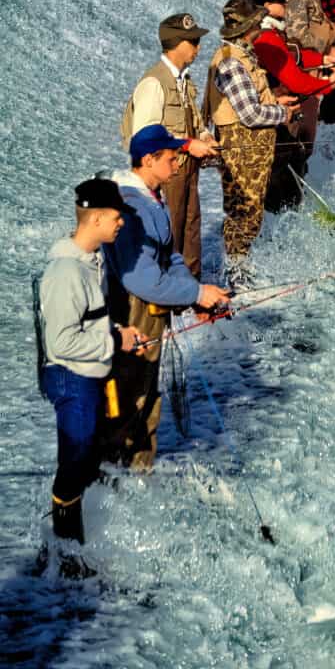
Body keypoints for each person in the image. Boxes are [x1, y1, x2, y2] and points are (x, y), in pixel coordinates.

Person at [103, 126, 229, 470]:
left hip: (152, 310)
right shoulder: (133, 210)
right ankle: (119, 483)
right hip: (133, 316)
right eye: (172, 159)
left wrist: (196, 298)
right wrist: (197, 292)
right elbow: (142, 279)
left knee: (146, 400)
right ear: (149, 160)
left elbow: (169, 257)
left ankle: (137, 478)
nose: (177, 165)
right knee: (132, 402)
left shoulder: (152, 198)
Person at [38, 178, 147, 567]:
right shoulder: (67, 273)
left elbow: (88, 323)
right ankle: (65, 556)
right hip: (72, 378)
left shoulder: (93, 258)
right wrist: (116, 344)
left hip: (90, 373)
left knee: (88, 454)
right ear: (96, 218)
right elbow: (61, 344)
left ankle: (72, 547)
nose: (121, 224)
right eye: (117, 217)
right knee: (76, 460)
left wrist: (117, 334)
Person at [202, 0, 300, 266]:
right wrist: (283, 113)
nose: (260, 24)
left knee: (248, 213)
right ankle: (236, 273)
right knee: (243, 214)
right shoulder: (232, 63)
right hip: (243, 152)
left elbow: (247, 103)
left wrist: (275, 102)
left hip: (250, 152)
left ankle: (238, 268)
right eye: (257, 21)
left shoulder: (240, 56)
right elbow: (250, 114)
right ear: (250, 26)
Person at [121, 13, 219, 277]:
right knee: (169, 233)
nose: (198, 48)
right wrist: (188, 145)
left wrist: (205, 138)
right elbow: (144, 138)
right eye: (193, 41)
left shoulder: (184, 81)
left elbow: (194, 123)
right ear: (177, 43)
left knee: (190, 228)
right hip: (164, 176)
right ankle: (169, 299)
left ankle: (191, 293)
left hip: (185, 171)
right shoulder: (154, 83)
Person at [250, 0, 335, 209]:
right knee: (283, 175)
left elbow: (294, 56)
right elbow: (295, 80)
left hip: (282, 116)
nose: (286, 5)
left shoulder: (273, 34)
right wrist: (328, 84)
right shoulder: (265, 38)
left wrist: (323, 60)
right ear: (266, 6)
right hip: (275, 121)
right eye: (281, 1)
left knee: (293, 165)